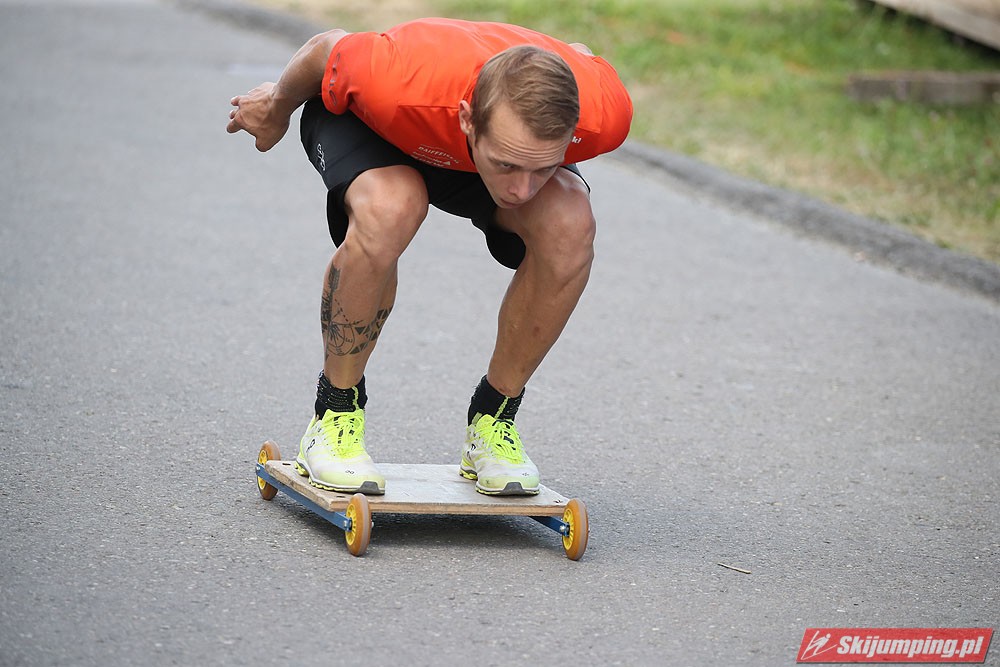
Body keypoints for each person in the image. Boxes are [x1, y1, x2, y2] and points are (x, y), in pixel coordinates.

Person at [227, 17, 632, 496]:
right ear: (468, 119)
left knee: (570, 223)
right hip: (378, 127)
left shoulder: (604, 113)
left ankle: (494, 421)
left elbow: (577, 54)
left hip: (469, 157)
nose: (522, 190)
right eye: (509, 165)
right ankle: (334, 415)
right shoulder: (394, 79)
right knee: (392, 206)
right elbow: (325, 47)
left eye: (541, 168)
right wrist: (276, 106)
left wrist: (524, 166)